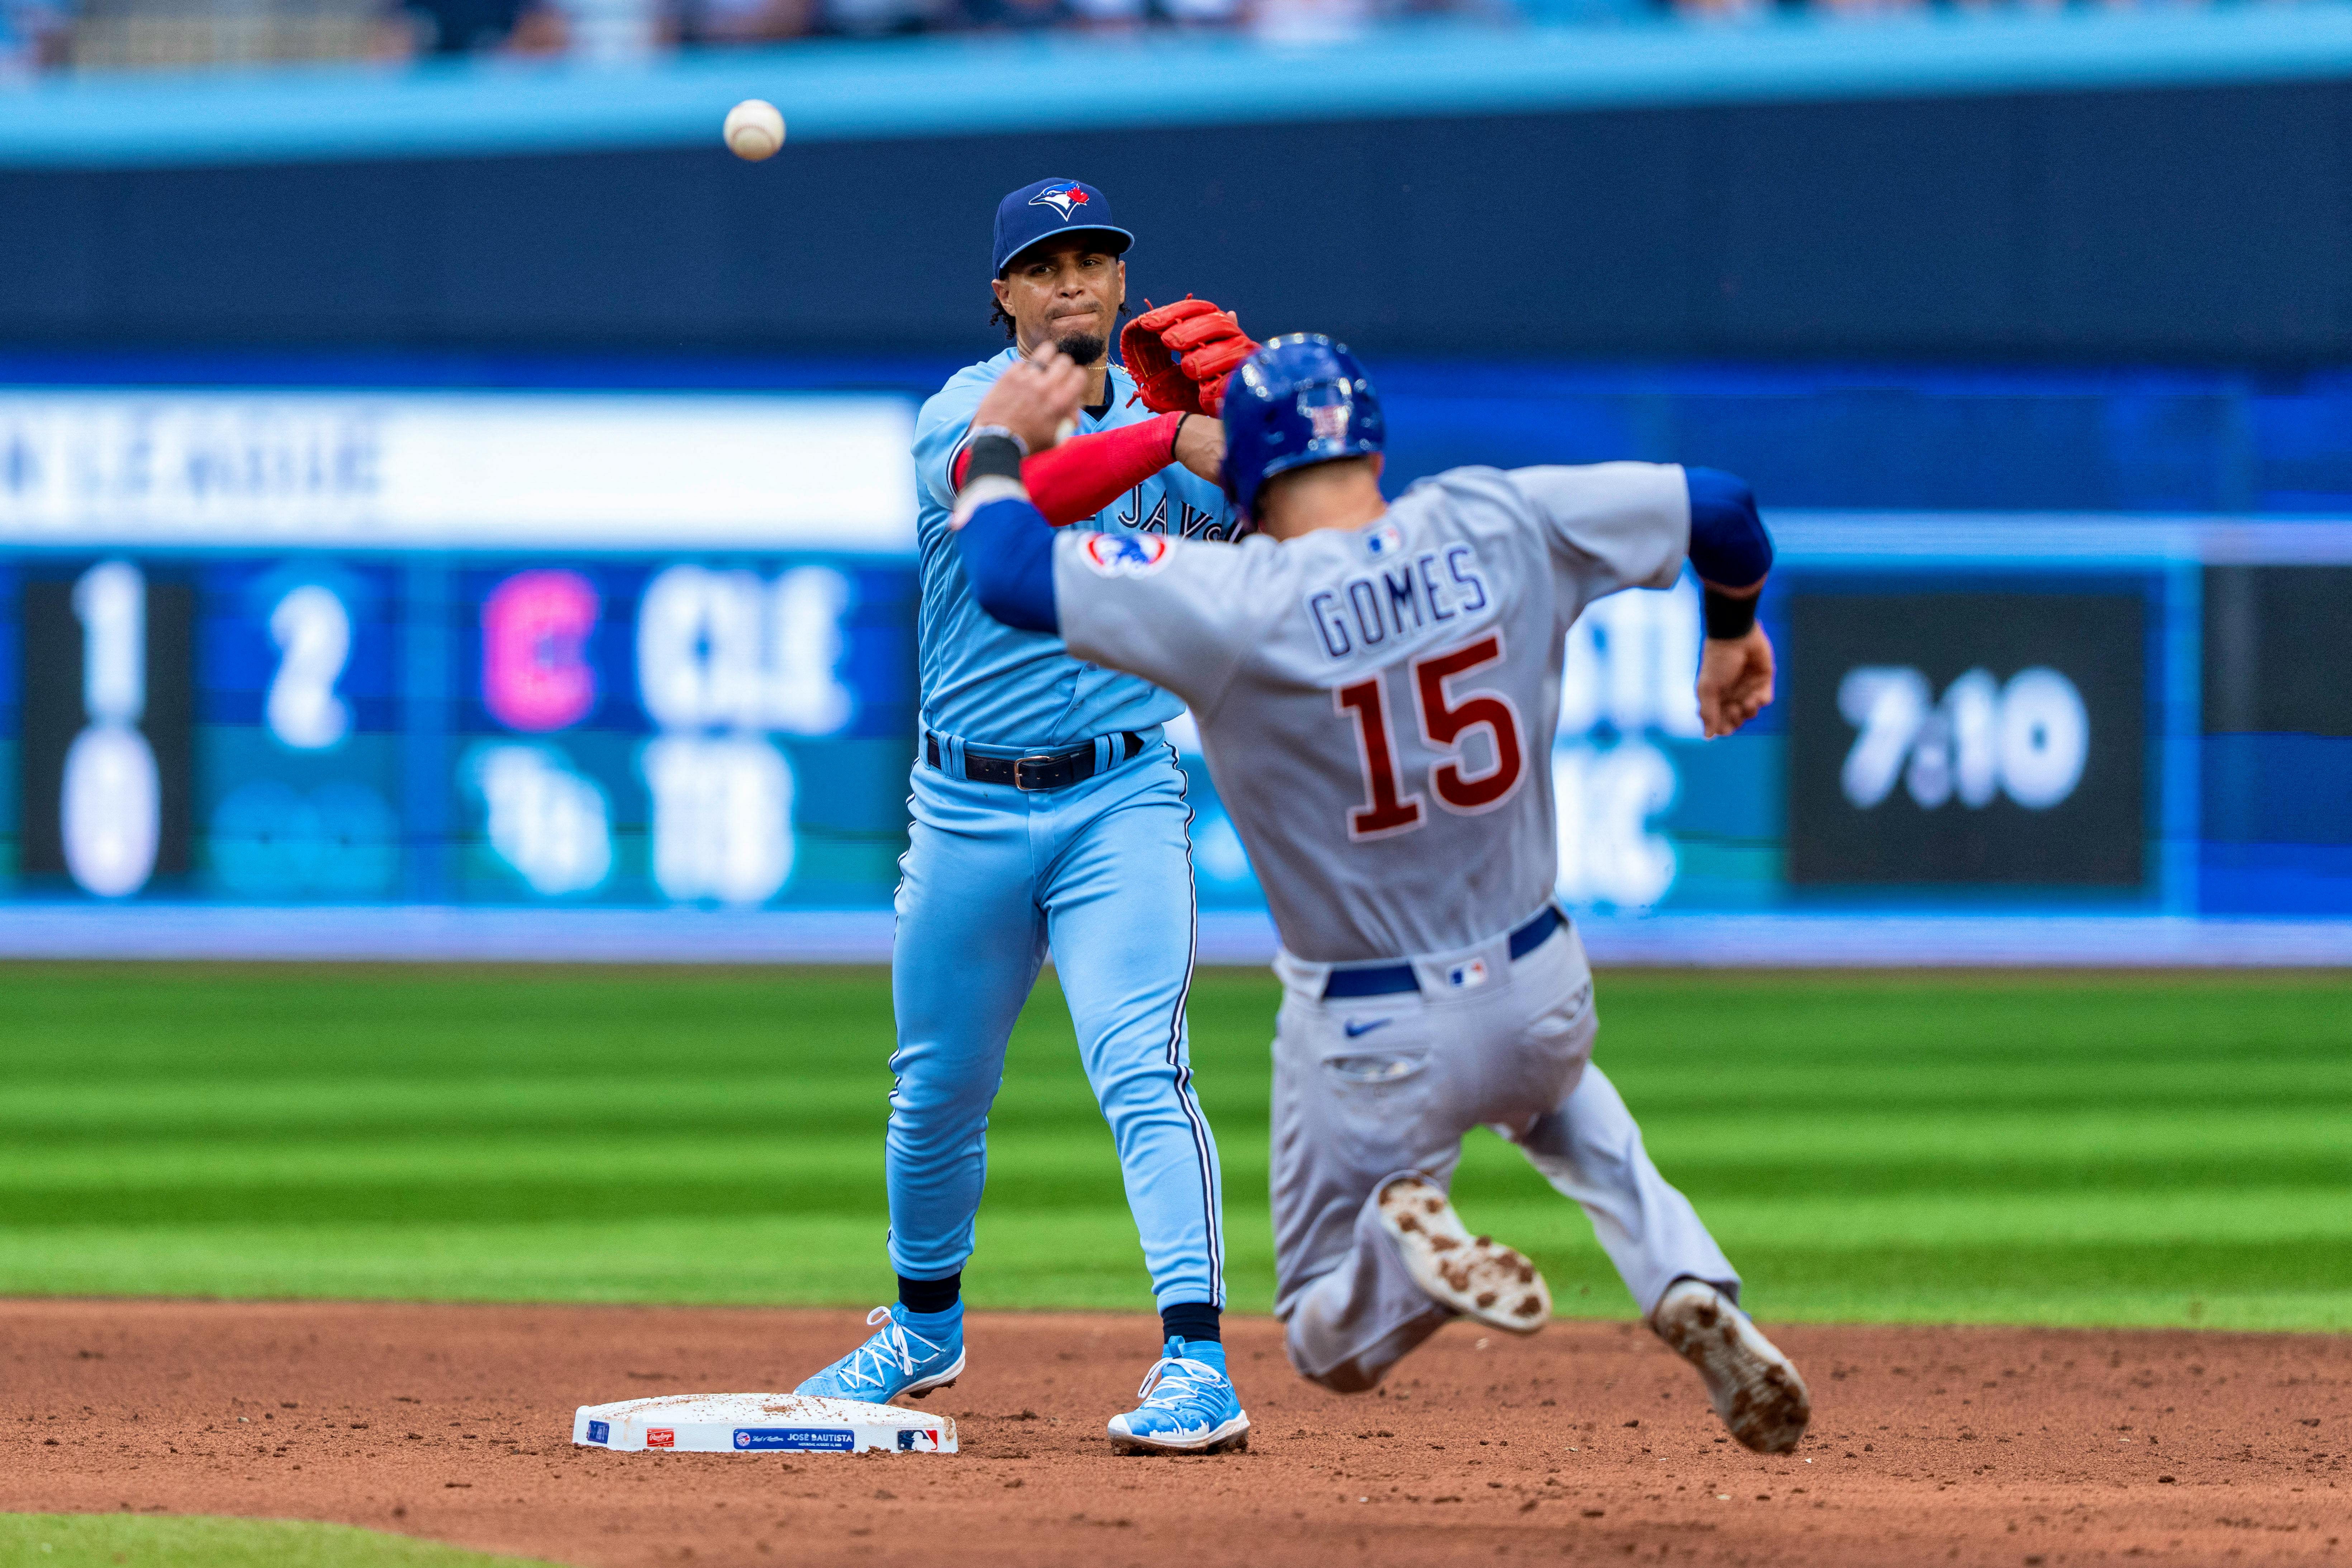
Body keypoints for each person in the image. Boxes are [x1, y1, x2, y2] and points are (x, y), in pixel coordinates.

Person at [944, 337, 1813, 1454]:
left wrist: (1000, 442)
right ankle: (1689, 1279)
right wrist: (1733, 628)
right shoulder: (1498, 521)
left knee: (1320, 1333)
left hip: (1368, 1031)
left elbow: (1006, 572)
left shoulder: (1231, 598)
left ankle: (1404, 1276)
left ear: (1244, 473)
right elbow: (1723, 508)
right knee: (1563, 1106)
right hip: (1541, 985)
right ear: (1371, 440)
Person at [794, 179, 1259, 1457]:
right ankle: (921, 1328)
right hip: (963, 806)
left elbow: (1300, 541)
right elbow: (1022, 488)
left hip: (1121, 793)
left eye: (1093, 258)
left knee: (1141, 1067)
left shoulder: (1182, 421)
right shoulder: (968, 410)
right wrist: (1174, 444)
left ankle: (1196, 1360)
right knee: (934, 1090)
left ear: (1122, 281)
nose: (1070, 280)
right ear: (1003, 293)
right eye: (1043, 263)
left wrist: (1271, 439)